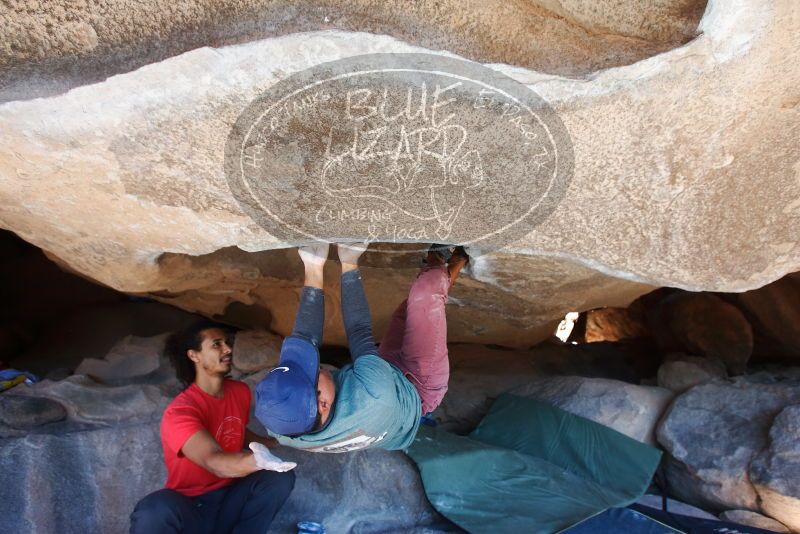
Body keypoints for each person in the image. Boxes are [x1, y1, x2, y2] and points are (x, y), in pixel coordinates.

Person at [255, 242, 468, 453]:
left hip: (383, 385)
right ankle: (444, 258)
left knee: (407, 313)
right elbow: (359, 330)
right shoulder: (373, 396)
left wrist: (313, 267)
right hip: (417, 388)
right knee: (425, 293)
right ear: (323, 404)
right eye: (312, 372)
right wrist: (349, 262)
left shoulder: (279, 419)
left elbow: (304, 337)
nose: (316, 366)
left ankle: (441, 268)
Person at [130, 320, 296, 534]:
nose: (227, 349)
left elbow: (234, 430)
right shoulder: (180, 412)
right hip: (192, 507)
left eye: (227, 342)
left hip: (229, 499)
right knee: (154, 509)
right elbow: (213, 460)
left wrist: (274, 442)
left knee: (279, 477)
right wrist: (256, 461)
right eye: (216, 344)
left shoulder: (239, 391)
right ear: (194, 355)